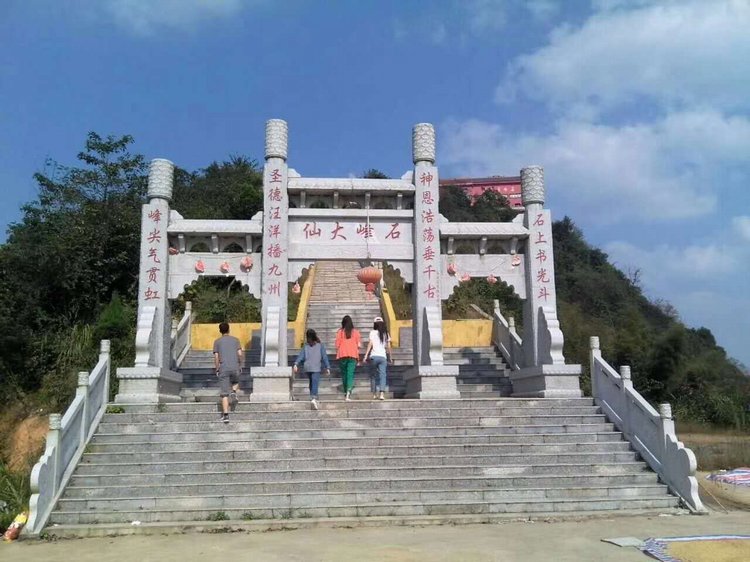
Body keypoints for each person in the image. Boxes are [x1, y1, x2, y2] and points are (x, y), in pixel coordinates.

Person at [293, 329, 331, 410]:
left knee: (314, 382)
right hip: (309, 367)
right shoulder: (306, 346)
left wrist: (327, 366)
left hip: (315, 368)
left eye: (309, 338)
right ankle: (313, 398)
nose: (309, 340)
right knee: (312, 382)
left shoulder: (319, 346)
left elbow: (324, 357)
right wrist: (296, 364)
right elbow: (301, 356)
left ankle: (313, 398)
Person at [213, 322, 243, 423]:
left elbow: (216, 357)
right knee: (236, 381)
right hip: (235, 366)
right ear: (229, 329)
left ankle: (226, 415)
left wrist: (217, 368)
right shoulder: (236, 340)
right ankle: (233, 392)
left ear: (220, 331)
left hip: (223, 368)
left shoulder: (217, 342)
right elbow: (240, 354)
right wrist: (240, 364)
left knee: (224, 393)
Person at [364, 316, 391, 400]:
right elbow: (389, 347)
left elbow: (370, 344)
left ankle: (374, 394)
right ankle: (382, 394)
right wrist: (390, 357)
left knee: (373, 375)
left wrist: (366, 355)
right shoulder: (386, 333)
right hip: (383, 357)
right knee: (383, 375)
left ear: (374, 324)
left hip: (374, 357)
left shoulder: (372, 332)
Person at [334, 315, 361, 401]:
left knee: (344, 374)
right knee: (350, 374)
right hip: (353, 355)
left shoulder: (340, 332)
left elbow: (337, 345)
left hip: (342, 354)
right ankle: (348, 393)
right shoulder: (356, 332)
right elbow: (358, 345)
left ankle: (346, 391)